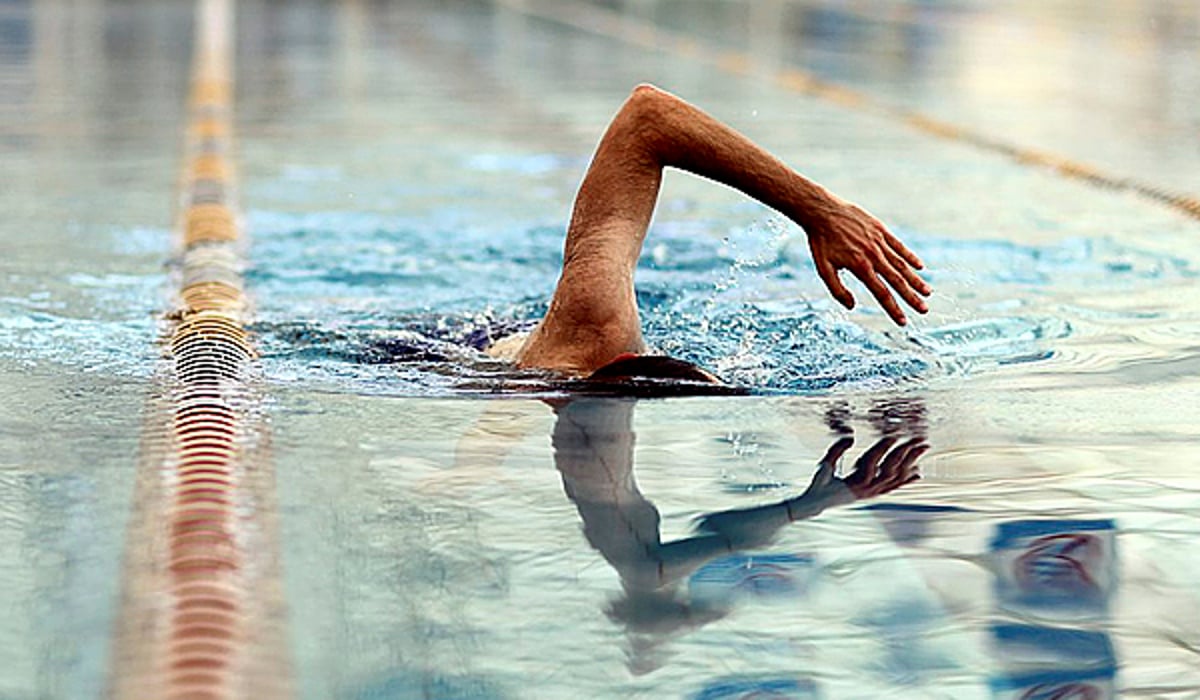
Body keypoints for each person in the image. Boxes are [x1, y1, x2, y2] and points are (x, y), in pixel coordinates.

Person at [487, 84, 931, 380]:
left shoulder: (590, 316)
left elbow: (648, 116)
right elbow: (646, 117)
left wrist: (820, 212)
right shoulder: (591, 322)